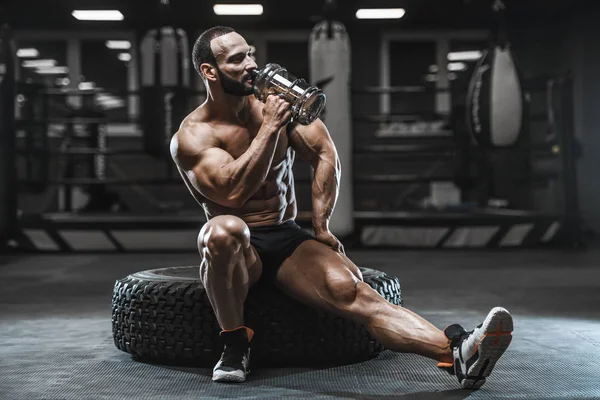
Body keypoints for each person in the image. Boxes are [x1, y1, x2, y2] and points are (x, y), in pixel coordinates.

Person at [170, 26, 513, 389]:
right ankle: (235, 342)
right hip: (239, 248)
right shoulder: (194, 135)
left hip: (286, 237)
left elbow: (323, 153)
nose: (252, 64)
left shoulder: (274, 103)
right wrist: (270, 127)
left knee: (354, 291)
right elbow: (233, 193)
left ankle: (459, 352)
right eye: (237, 59)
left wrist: (322, 227)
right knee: (224, 231)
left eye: (251, 53)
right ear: (210, 71)